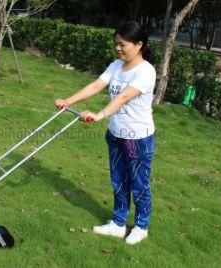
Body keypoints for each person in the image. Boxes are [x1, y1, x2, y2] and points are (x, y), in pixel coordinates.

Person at [55, 21, 156, 245]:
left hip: (137, 139)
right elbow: (95, 85)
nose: (118, 48)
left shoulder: (146, 71)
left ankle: (141, 226)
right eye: (116, 44)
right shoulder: (116, 65)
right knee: (118, 181)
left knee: (139, 184)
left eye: (123, 44)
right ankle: (119, 224)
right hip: (116, 135)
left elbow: (124, 97)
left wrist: (100, 114)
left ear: (139, 45)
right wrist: (67, 101)